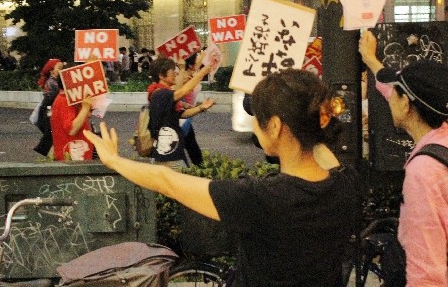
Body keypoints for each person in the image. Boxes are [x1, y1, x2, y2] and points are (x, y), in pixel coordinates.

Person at [84, 69, 359, 286]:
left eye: (258, 117)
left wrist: (113, 159)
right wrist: (303, 114)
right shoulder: (346, 185)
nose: (255, 123)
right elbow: (320, 148)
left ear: (274, 126)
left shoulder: (261, 199)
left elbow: (166, 181)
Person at [359, 30, 448, 286]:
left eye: (397, 93)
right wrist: (370, 58)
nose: (390, 98)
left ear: (406, 104)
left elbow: (426, 271)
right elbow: (393, 90)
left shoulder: (424, 174)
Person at [147, 57, 215, 167]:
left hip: (172, 151)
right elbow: (183, 91)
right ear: (161, 75)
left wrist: (201, 108)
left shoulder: (164, 94)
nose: (175, 73)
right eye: (172, 71)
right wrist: (203, 72)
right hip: (167, 154)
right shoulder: (159, 94)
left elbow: (181, 115)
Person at [50, 76, 94, 161]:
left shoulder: (68, 99)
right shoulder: (64, 100)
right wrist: (85, 108)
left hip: (76, 156)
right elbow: (72, 129)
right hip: (71, 159)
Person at [34, 58, 63, 156]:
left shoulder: (55, 82)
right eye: (60, 68)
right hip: (49, 113)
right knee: (52, 136)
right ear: (52, 71)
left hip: (48, 112)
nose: (62, 70)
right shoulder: (52, 83)